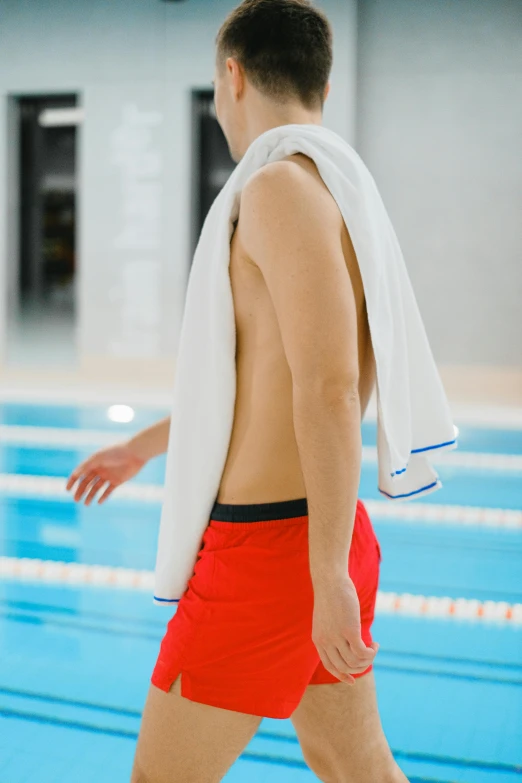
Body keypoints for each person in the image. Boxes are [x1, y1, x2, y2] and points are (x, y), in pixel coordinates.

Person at [67, 1, 410, 780]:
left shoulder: (279, 189)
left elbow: (328, 387)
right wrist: (144, 445)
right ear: (322, 82)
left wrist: (323, 578)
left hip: (272, 558)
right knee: (352, 762)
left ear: (233, 75)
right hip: (321, 538)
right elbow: (262, 377)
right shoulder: (336, 188)